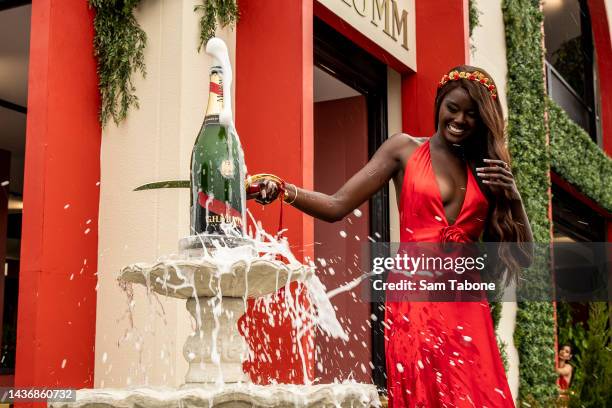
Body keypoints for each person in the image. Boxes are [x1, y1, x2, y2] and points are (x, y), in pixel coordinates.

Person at [247, 65, 533, 407]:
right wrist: (283, 189)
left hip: (466, 306)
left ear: (483, 119)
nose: (459, 119)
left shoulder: (487, 170)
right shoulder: (404, 149)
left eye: (471, 114)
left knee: (478, 396)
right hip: (414, 301)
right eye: (452, 108)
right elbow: (337, 204)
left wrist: (513, 196)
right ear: (439, 104)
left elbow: (524, 256)